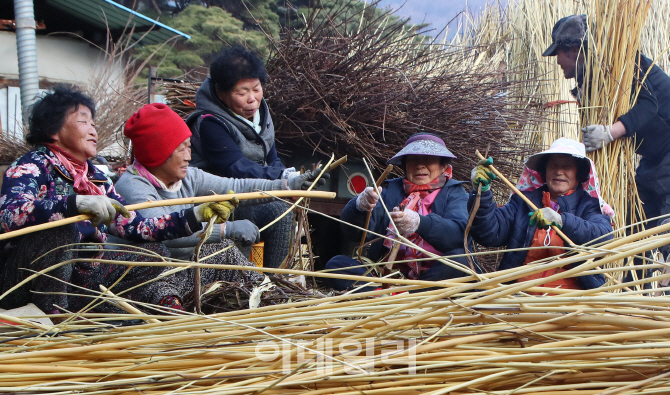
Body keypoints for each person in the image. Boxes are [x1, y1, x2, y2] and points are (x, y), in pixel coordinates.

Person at [0, 86, 237, 314]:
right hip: (25, 279)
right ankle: (55, 317)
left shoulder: (96, 179)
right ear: (54, 130)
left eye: (93, 123)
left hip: (79, 277)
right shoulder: (31, 166)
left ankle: (113, 313)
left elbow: (135, 226)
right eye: (84, 121)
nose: (93, 130)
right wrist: (73, 205)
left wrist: (194, 216)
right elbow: (9, 215)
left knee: (152, 254)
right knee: (62, 231)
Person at [115, 103, 323, 269]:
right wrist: (225, 230)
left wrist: (287, 186)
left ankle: (270, 287)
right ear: (158, 153)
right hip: (155, 272)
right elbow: (163, 236)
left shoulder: (188, 176)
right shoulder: (133, 186)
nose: (189, 157)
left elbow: (237, 187)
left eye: (189, 148)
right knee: (227, 243)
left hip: (188, 263)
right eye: (182, 150)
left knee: (249, 227)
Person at [543, 14, 670, 228]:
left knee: (665, 222)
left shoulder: (622, 62)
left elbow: (649, 106)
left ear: (573, 50)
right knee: (637, 217)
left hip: (667, 152)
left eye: (557, 53)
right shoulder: (591, 80)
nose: (556, 61)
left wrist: (610, 132)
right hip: (654, 155)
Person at [325, 134, 476, 292]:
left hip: (433, 278)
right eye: (413, 160)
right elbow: (354, 233)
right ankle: (385, 294)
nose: (420, 166)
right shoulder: (390, 191)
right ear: (404, 166)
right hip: (387, 278)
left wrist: (419, 223)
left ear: (443, 166)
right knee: (337, 265)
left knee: (462, 262)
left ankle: (406, 297)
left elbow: (459, 236)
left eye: (428, 159)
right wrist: (359, 207)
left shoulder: (456, 194)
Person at [469, 138, 614, 291]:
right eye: (553, 165)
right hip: (519, 297)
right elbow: (488, 233)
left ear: (579, 173)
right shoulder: (524, 201)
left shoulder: (589, 206)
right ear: (545, 170)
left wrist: (562, 221)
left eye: (567, 166)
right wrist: (482, 193)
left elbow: (603, 237)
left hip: (571, 301)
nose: (559, 171)